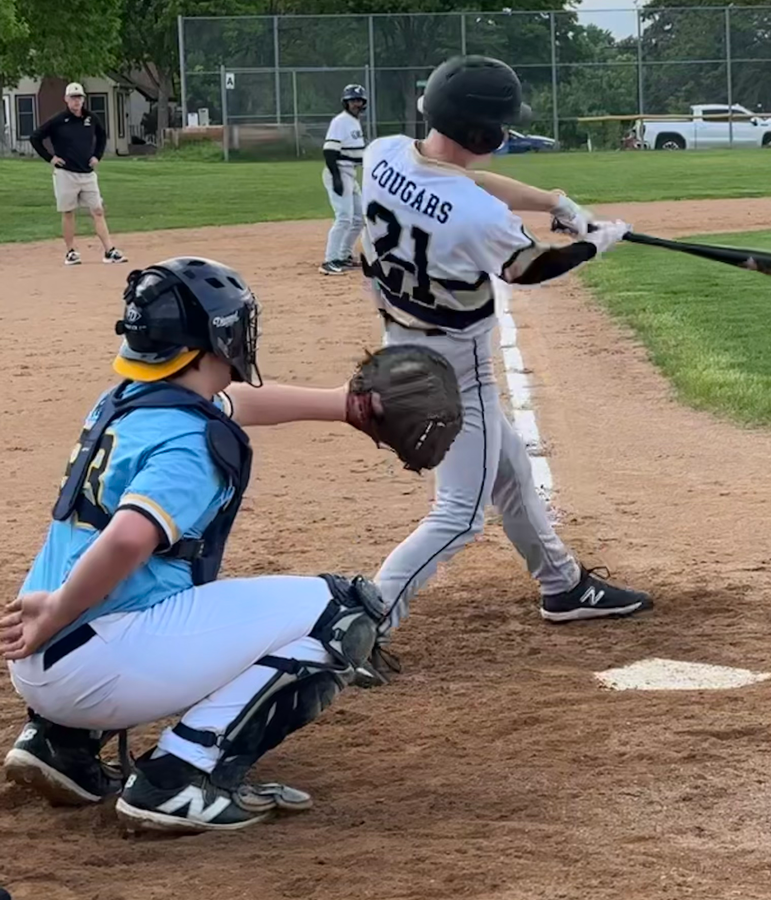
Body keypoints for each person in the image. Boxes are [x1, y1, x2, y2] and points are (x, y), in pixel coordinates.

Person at [1, 256, 462, 835]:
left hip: (49, 659)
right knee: (344, 611)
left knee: (150, 592)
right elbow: (128, 539)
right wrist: (62, 607)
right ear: (216, 339)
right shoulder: (192, 443)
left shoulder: (128, 399)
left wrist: (343, 406)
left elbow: (232, 405)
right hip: (93, 658)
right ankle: (181, 779)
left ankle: (59, 745)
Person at [358, 54, 652, 661]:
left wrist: (555, 202)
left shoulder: (381, 153)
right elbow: (529, 266)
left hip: (400, 347)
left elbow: (459, 179)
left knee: (511, 469)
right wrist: (596, 242)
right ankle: (362, 627)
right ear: (489, 135)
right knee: (460, 515)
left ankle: (562, 585)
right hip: (456, 372)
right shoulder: (478, 219)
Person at [29, 82, 126, 266]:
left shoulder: (91, 118)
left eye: (79, 97)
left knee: (97, 210)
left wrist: (97, 155)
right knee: (68, 212)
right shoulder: (59, 120)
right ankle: (71, 251)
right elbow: (35, 137)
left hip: (87, 173)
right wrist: (50, 158)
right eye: (73, 98)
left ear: (83, 99)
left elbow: (102, 136)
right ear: (66, 99)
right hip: (66, 173)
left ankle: (109, 250)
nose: (76, 101)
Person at [320, 84, 368, 276]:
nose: (356, 104)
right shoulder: (340, 121)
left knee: (358, 219)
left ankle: (344, 255)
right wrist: (337, 178)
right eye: (352, 101)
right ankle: (329, 260)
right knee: (344, 218)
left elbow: (355, 152)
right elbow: (330, 151)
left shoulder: (354, 122)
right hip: (338, 172)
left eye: (359, 100)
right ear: (345, 103)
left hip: (350, 174)